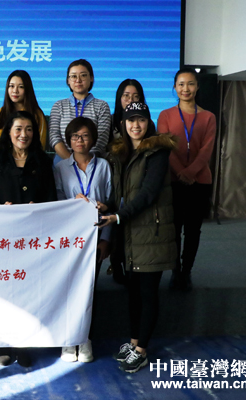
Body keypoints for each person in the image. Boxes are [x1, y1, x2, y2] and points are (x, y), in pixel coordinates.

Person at [99, 102, 177, 373]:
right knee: (133, 293)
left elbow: (147, 194)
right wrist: (108, 206)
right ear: (123, 124)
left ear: (148, 123)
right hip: (130, 234)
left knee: (147, 293)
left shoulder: (157, 152)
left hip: (152, 233)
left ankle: (142, 350)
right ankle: (133, 343)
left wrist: (118, 216)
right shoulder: (121, 153)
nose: (136, 125)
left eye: (141, 120)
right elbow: (121, 194)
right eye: (130, 120)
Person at [0, 110, 56, 368]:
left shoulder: (43, 161)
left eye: (29, 129)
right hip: (2, 238)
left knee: (28, 290)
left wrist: (39, 207)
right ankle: (4, 342)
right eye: (18, 129)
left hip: (32, 239)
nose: (24, 134)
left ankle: (23, 342)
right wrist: (1, 208)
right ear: (8, 133)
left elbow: (51, 199)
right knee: (4, 290)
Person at [53, 117, 112, 363]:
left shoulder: (104, 166)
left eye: (85, 135)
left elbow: (111, 202)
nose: (80, 140)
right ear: (69, 140)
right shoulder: (60, 168)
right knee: (68, 288)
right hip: (70, 239)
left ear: (93, 139)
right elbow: (56, 204)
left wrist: (106, 239)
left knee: (89, 290)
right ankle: (69, 339)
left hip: (95, 235)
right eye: (75, 136)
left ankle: (85, 338)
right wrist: (72, 203)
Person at [158, 67, 216, 292]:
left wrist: (190, 173)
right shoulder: (165, 115)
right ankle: (175, 271)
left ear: (197, 86)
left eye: (190, 83)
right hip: (173, 181)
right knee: (173, 229)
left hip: (200, 182)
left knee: (193, 230)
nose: (185, 88)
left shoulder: (208, 117)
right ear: (174, 87)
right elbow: (165, 146)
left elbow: (206, 150)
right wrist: (181, 172)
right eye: (181, 84)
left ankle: (186, 271)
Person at [108, 79, 146, 285]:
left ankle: (132, 266)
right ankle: (116, 264)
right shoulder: (111, 122)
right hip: (114, 178)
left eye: (135, 96)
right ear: (119, 99)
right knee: (114, 226)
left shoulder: (145, 124)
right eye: (126, 96)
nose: (130, 100)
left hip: (136, 180)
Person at [49, 59, 111, 162]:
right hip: (63, 161)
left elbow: (101, 140)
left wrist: (84, 162)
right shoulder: (59, 106)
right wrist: (71, 161)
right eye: (73, 76)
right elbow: (54, 137)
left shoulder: (102, 106)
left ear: (91, 78)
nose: (78, 80)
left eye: (83, 75)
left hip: (92, 161)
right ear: (68, 80)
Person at [0, 70, 48, 150]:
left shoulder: (37, 115)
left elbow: (40, 147)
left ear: (27, 89)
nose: (15, 91)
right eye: (11, 86)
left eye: (21, 87)